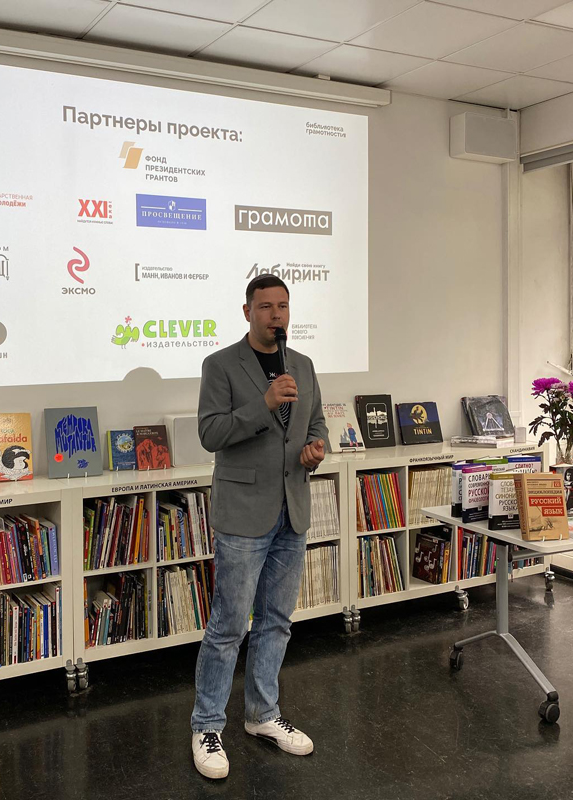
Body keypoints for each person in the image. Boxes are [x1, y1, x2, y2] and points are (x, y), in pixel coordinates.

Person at [191, 274, 328, 779]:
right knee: (229, 626)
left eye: (283, 306)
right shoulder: (221, 364)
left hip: (292, 509)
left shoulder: (303, 365)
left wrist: (315, 451)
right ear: (247, 311)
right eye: (266, 306)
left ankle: (262, 714)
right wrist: (264, 404)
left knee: (276, 621)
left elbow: (316, 425)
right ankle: (207, 725)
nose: (276, 315)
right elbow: (211, 433)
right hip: (244, 513)